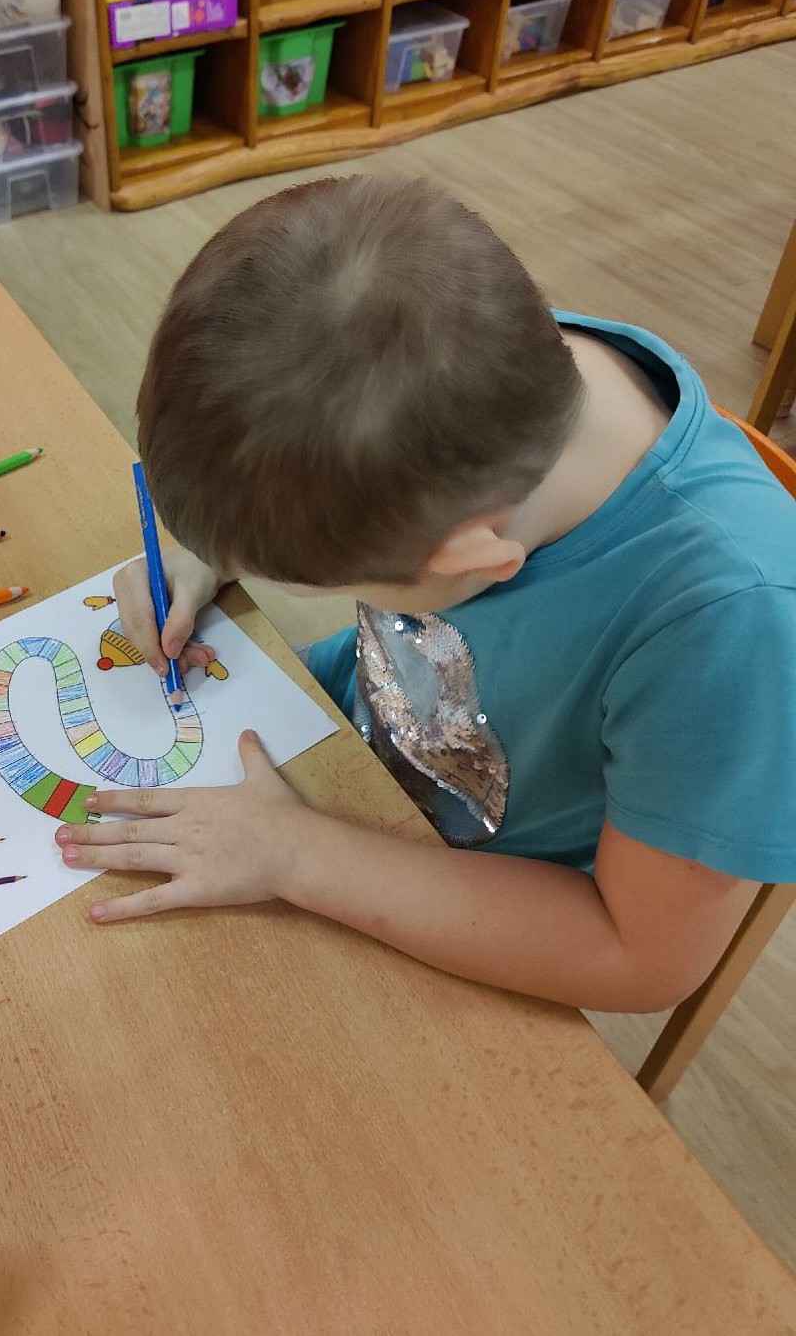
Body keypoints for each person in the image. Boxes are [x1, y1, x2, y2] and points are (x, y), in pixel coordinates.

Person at [56, 174, 796, 1012]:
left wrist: (295, 854)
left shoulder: (735, 623)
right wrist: (209, 552)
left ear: (477, 559)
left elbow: (638, 958)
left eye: (307, 578)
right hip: (341, 757)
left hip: (478, 905)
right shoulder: (480, 360)